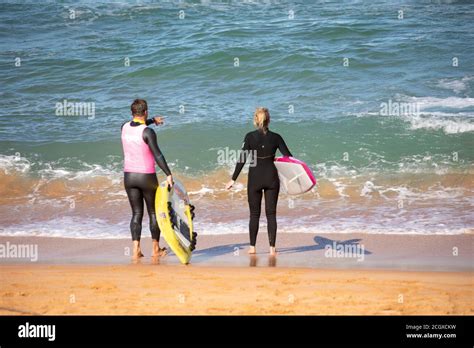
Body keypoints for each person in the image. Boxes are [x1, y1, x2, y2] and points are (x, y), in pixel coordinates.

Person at [226, 107, 292, 256]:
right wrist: (296, 178)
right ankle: (272, 249)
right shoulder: (276, 137)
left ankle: (252, 248)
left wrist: (233, 179)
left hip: (255, 178)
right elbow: (289, 158)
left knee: (254, 214)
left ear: (255, 120)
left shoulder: (249, 137)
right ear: (269, 120)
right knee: (271, 214)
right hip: (271, 178)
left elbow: (242, 159)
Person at [121, 99, 173, 259]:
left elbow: (137, 125)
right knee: (153, 213)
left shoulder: (123, 127)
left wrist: (152, 121)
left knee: (136, 213)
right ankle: (156, 249)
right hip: (146, 176)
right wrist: (168, 173)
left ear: (132, 113)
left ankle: (135, 249)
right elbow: (158, 154)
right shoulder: (148, 132)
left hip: (129, 176)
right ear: (146, 112)